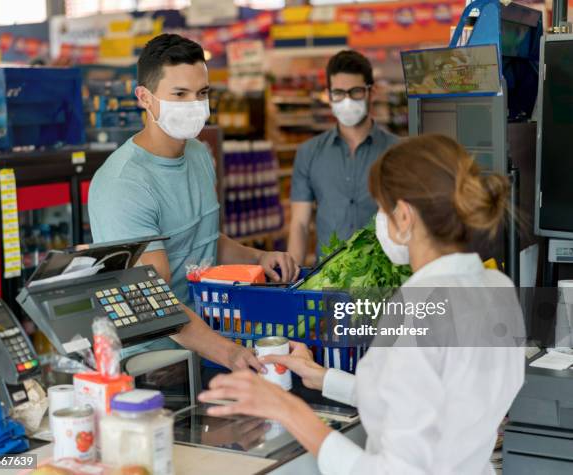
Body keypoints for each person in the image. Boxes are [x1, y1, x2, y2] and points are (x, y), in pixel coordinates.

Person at [199, 135, 526, 474]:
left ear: (403, 216)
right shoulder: (496, 287)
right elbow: (429, 404)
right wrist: (326, 379)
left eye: (381, 209)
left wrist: (286, 410)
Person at [89, 33, 298, 369]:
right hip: (151, 361)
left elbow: (204, 240)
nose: (193, 104)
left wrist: (260, 257)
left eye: (201, 93)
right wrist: (228, 352)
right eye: (179, 94)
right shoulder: (124, 184)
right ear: (144, 97)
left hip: (207, 339)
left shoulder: (199, 154)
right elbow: (155, 301)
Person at [288, 50, 399, 265]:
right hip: (328, 278)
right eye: (338, 93)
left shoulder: (397, 152)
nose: (346, 101)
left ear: (371, 92)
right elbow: (300, 224)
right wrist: (291, 283)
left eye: (355, 91)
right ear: (328, 95)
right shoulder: (308, 153)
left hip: (384, 279)